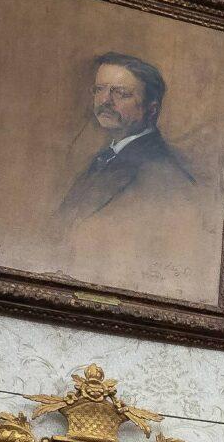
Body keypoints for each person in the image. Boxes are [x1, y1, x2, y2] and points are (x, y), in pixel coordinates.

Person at [47, 52, 211, 298]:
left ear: (151, 109)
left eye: (121, 94)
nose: (105, 100)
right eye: (100, 90)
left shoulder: (162, 173)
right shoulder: (104, 158)